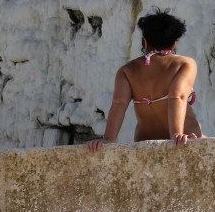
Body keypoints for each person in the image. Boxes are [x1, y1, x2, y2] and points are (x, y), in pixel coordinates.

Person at [87, 8, 203, 151]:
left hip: (145, 143)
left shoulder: (127, 71)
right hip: (183, 139)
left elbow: (119, 103)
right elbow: (177, 96)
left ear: (145, 42)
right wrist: (176, 135)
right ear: (173, 44)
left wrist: (108, 139)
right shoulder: (184, 64)